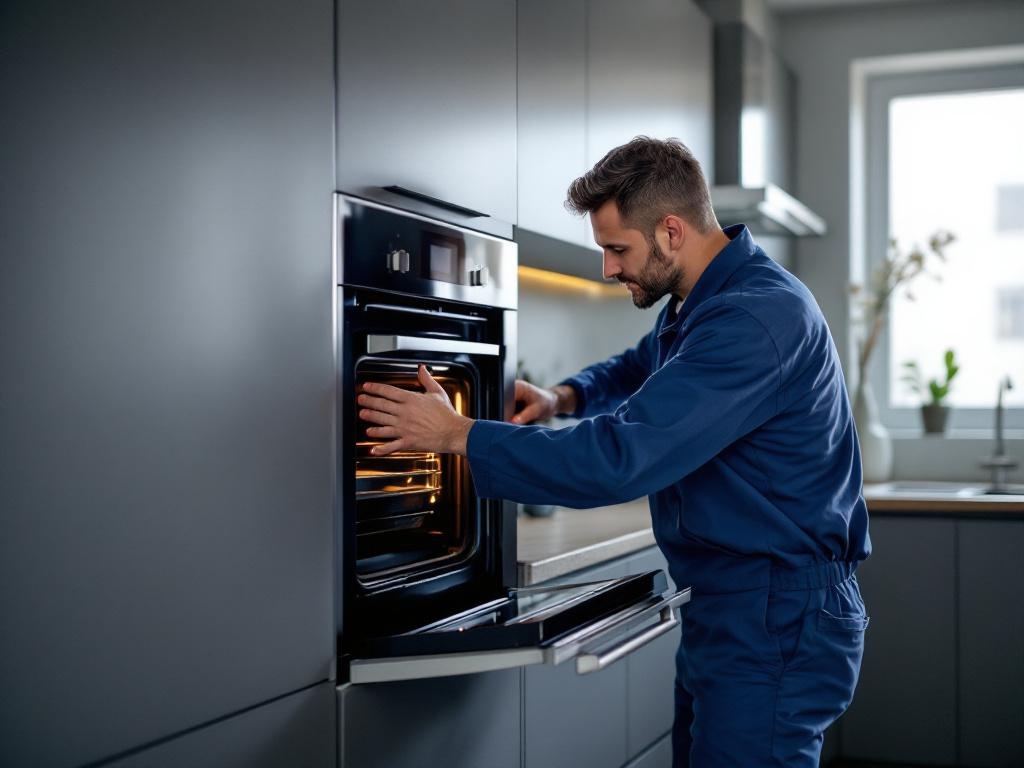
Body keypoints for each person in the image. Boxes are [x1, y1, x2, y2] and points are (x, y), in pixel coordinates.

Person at [357, 136, 871, 767]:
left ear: (672, 231)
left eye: (617, 249)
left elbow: (620, 459)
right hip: (734, 609)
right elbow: (638, 366)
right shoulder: (704, 304)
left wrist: (457, 434)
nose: (607, 268)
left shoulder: (753, 319)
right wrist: (562, 396)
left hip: (775, 616)